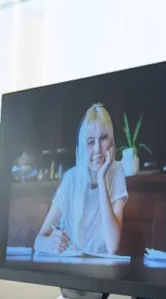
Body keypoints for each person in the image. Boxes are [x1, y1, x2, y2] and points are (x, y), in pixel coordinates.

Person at [34, 103, 128, 255]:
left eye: (103, 138)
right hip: (72, 268)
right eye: (90, 142)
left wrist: (101, 178)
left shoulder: (116, 170)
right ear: (81, 148)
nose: (98, 149)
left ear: (111, 142)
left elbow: (113, 246)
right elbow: (38, 240)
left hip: (104, 273)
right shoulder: (71, 178)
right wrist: (50, 244)